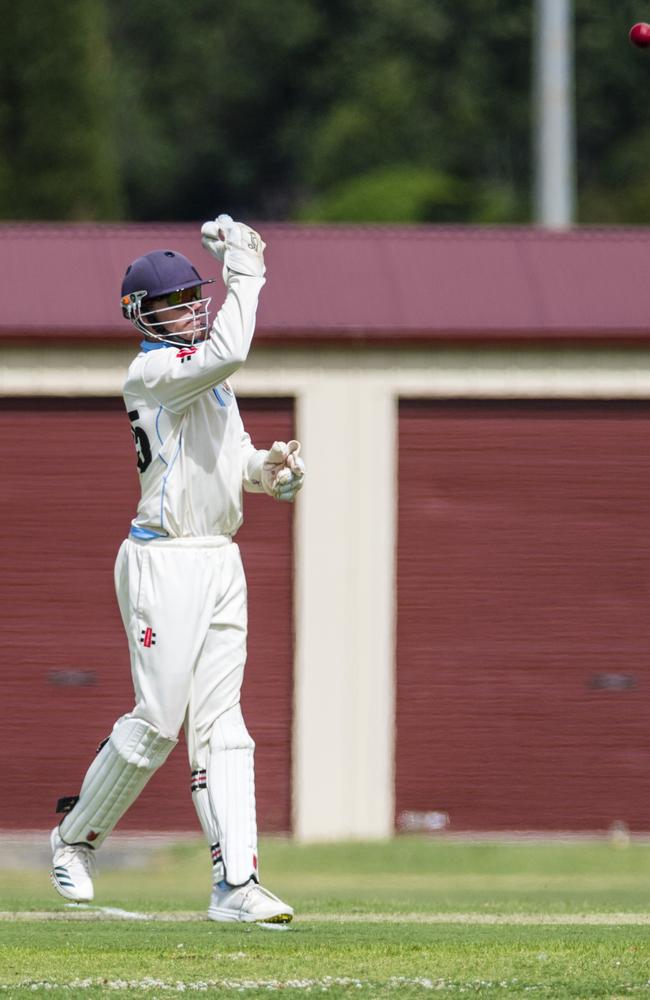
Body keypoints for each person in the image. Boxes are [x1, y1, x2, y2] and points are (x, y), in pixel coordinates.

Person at [49, 215, 304, 924]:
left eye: (196, 298)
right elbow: (229, 351)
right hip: (162, 561)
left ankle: (237, 885)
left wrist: (270, 472)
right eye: (173, 306)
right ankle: (74, 839)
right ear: (140, 317)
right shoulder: (155, 370)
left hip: (221, 557)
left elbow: (236, 458)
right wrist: (247, 275)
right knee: (159, 721)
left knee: (224, 723)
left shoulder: (207, 378)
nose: (190, 311)